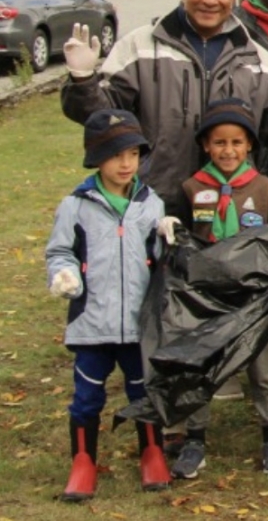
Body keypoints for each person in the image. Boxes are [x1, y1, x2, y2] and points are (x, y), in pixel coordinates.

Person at [59, 0, 268, 443]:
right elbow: (106, 120)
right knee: (169, 318)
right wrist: (82, 84)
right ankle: (175, 418)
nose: (210, 0)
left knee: (262, 310)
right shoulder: (141, 46)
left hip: (237, 212)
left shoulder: (252, 53)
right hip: (162, 206)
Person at [168, 99, 268, 479]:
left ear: (249, 147)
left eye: (237, 143)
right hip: (207, 301)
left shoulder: (265, 189)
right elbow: (179, 237)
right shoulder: (192, 188)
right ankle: (195, 439)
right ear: (205, 146)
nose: (228, 151)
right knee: (201, 369)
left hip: (254, 301)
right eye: (219, 143)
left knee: (264, 371)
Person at [45, 109, 171, 501]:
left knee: (144, 394)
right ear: (96, 157)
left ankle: (152, 452)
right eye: (116, 155)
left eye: (133, 154)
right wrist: (64, 273)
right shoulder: (76, 206)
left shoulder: (152, 204)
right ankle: (83, 461)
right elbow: (60, 251)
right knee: (87, 397)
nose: (125, 163)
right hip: (91, 323)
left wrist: (168, 240)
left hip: (139, 325)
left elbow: (160, 258)